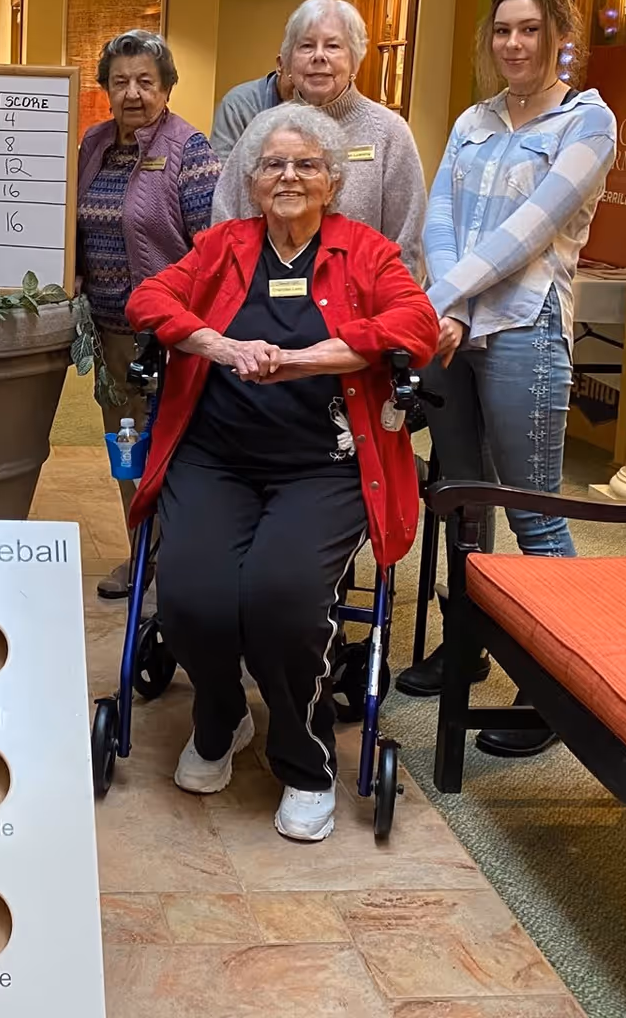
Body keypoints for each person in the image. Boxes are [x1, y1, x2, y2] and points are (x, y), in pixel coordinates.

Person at [126, 104, 437, 842]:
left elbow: (415, 326)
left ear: (333, 180)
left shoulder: (365, 253)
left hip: (324, 466)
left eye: (306, 165)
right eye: (272, 165)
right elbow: (150, 298)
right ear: (252, 180)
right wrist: (221, 345)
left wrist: (308, 356)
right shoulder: (224, 245)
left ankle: (305, 760)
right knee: (192, 595)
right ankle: (222, 716)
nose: (288, 177)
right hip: (215, 457)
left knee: (283, 599)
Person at [393, 0, 617, 761]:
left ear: (560, 33)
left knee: (533, 513)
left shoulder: (587, 122)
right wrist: (447, 309)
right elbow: (442, 219)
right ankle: (469, 647)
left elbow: (528, 230)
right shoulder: (472, 121)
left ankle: (559, 687)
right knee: (460, 502)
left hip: (526, 330)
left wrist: (432, 304)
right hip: (456, 335)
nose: (514, 44)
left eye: (529, 29)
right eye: (502, 31)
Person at [74, 29, 220, 600]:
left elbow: (211, 250)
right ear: (106, 87)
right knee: (126, 446)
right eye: (120, 81)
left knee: (175, 451)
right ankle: (142, 556)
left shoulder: (190, 148)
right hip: (112, 332)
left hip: (169, 336)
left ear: (166, 87)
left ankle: (179, 564)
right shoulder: (94, 143)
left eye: (145, 81)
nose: (132, 93)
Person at [211, 0, 426, 267]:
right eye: (306, 46)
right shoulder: (263, 128)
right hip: (262, 296)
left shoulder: (389, 132)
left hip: (362, 301)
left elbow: (406, 244)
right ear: (288, 60)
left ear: (355, 59)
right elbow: (226, 217)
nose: (319, 56)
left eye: (333, 46)